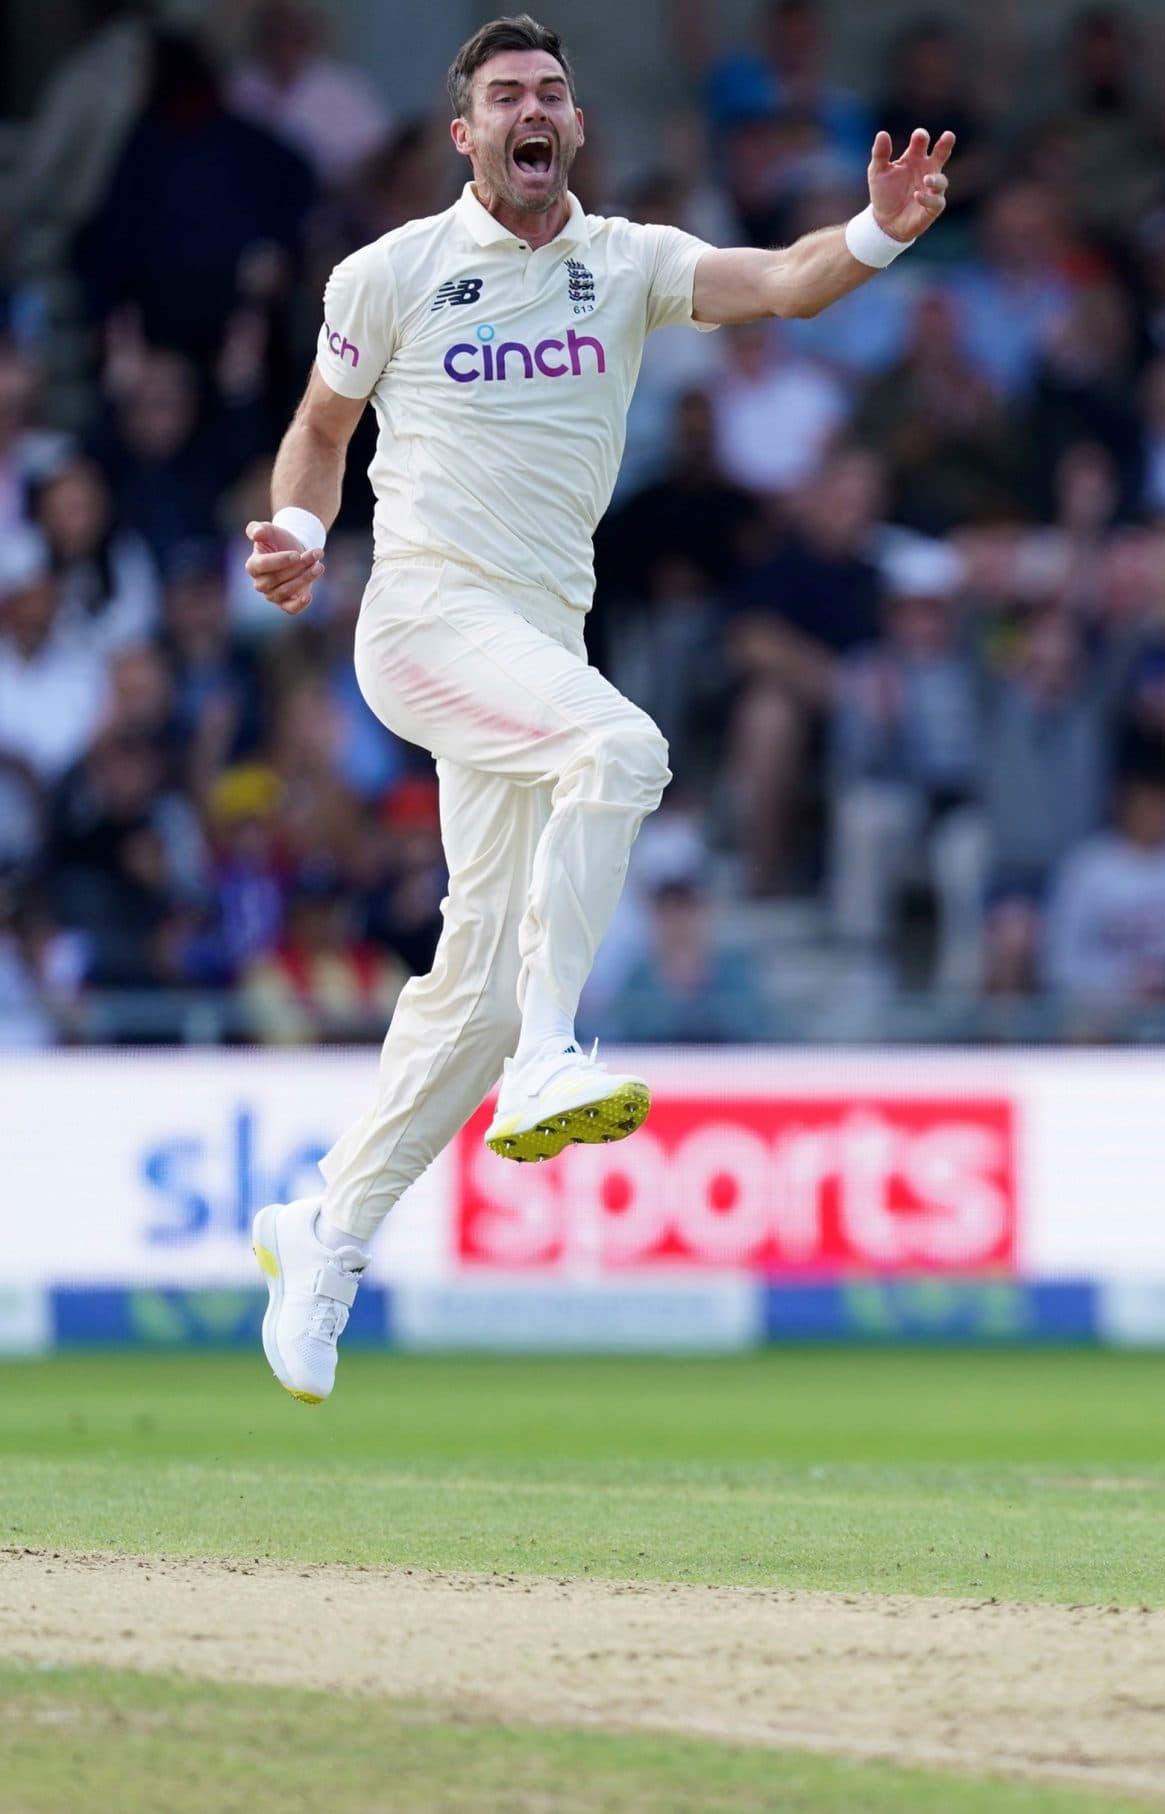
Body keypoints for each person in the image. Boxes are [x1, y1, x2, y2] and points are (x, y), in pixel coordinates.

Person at [236, 13, 954, 1404]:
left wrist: (874, 235)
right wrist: (298, 532)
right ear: (465, 135)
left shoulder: (626, 265)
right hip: (428, 622)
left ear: (574, 127)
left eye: (552, 92)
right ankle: (559, 1059)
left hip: (535, 653)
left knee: (478, 984)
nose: (532, 108)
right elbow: (323, 434)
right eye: (505, 93)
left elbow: (786, 282)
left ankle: (328, 1225)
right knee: (627, 747)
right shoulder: (391, 275)